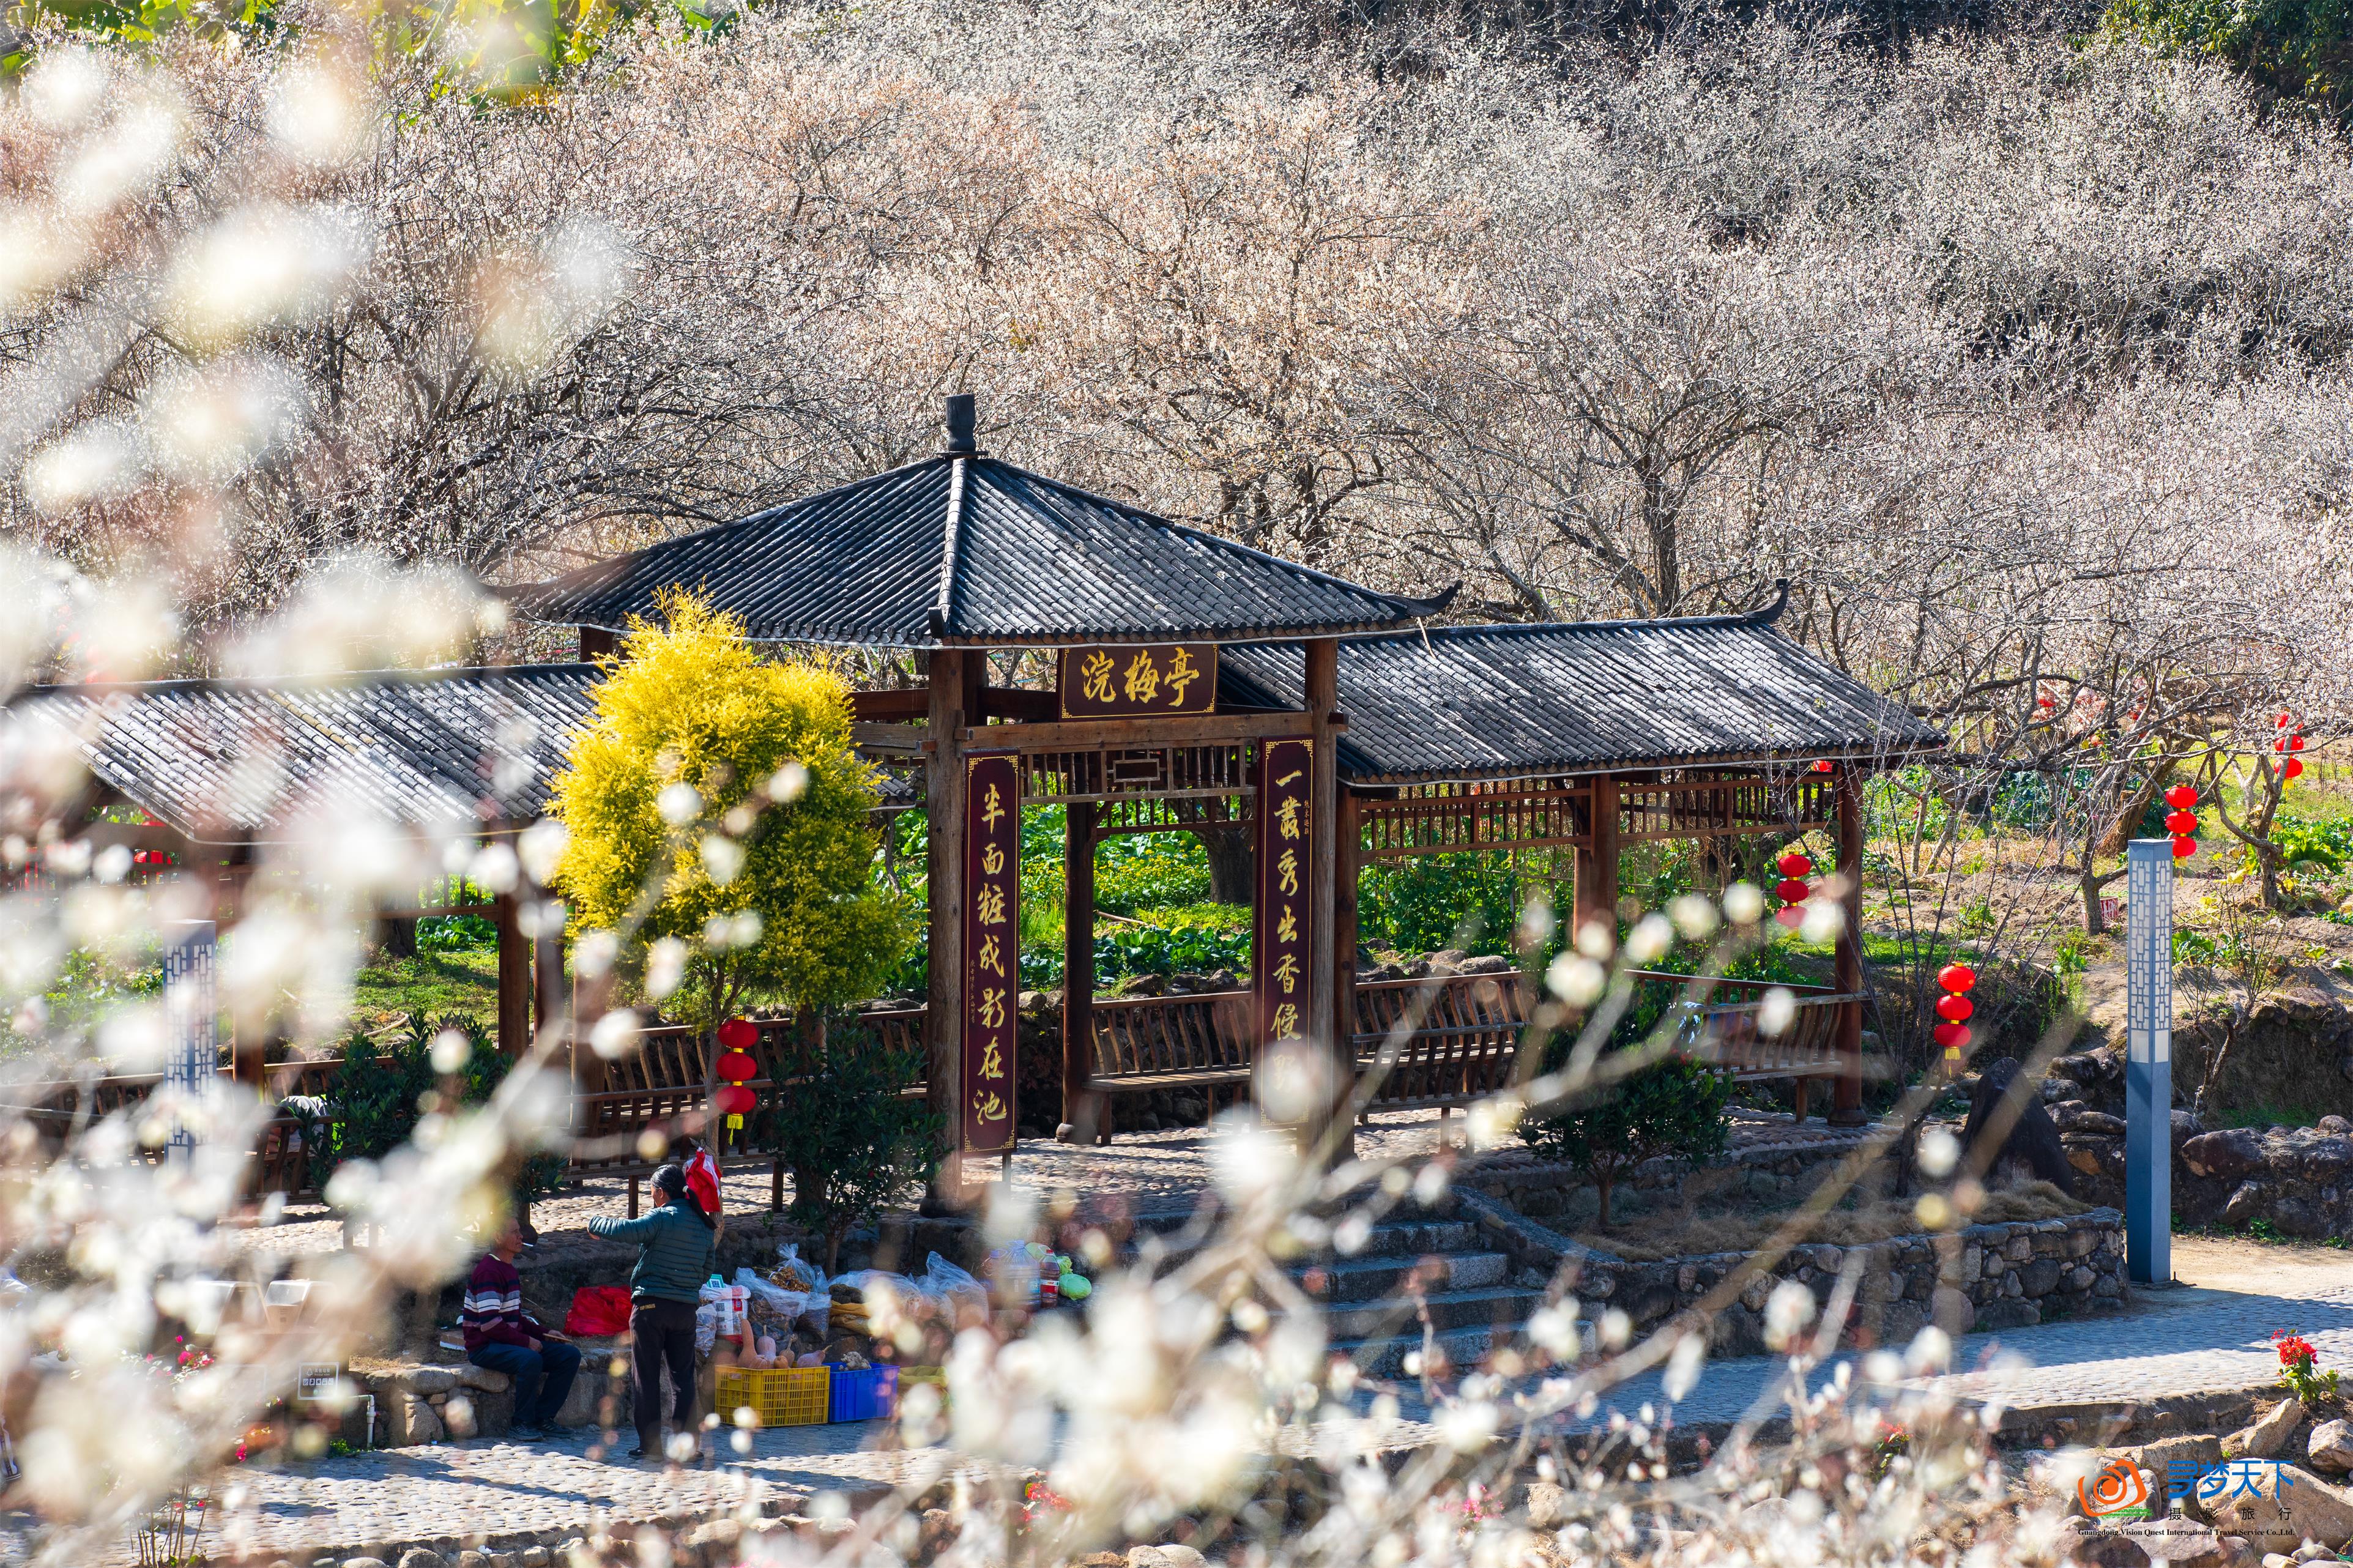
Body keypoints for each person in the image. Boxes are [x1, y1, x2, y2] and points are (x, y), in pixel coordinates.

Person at [587, 1162, 716, 1461]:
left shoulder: (662, 1217)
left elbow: (627, 1230)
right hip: (685, 1311)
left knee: (646, 1377)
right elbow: (707, 1269)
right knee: (683, 1378)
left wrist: (594, 1222)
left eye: (651, 1192)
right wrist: (684, 1288)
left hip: (650, 1308)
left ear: (660, 1193)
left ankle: (651, 1446)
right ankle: (687, 1447)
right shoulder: (703, 1224)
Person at [461, 1219, 579, 1439]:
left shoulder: (508, 1269)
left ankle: (543, 1418)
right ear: (497, 1237)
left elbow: (515, 1319)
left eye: (520, 1232)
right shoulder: (489, 1271)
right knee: (530, 1359)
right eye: (514, 1232)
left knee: (569, 1356)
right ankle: (521, 1423)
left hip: (503, 1341)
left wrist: (544, 1333)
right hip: (485, 1347)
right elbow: (490, 1325)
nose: (521, 1237)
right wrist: (527, 1342)